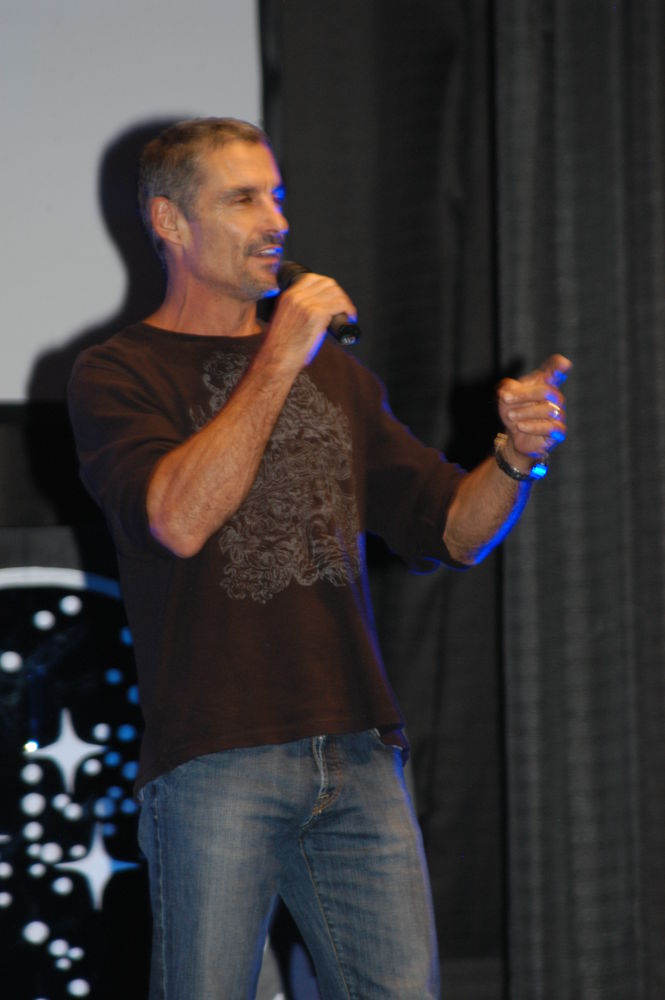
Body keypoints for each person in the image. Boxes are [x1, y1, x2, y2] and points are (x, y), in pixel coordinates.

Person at [67, 117, 571, 1000]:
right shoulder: (119, 372)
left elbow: (453, 531)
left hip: (358, 745)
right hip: (216, 757)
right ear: (170, 222)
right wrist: (278, 355)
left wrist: (512, 460)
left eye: (278, 197)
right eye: (242, 199)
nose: (276, 221)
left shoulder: (335, 375)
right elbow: (177, 519)